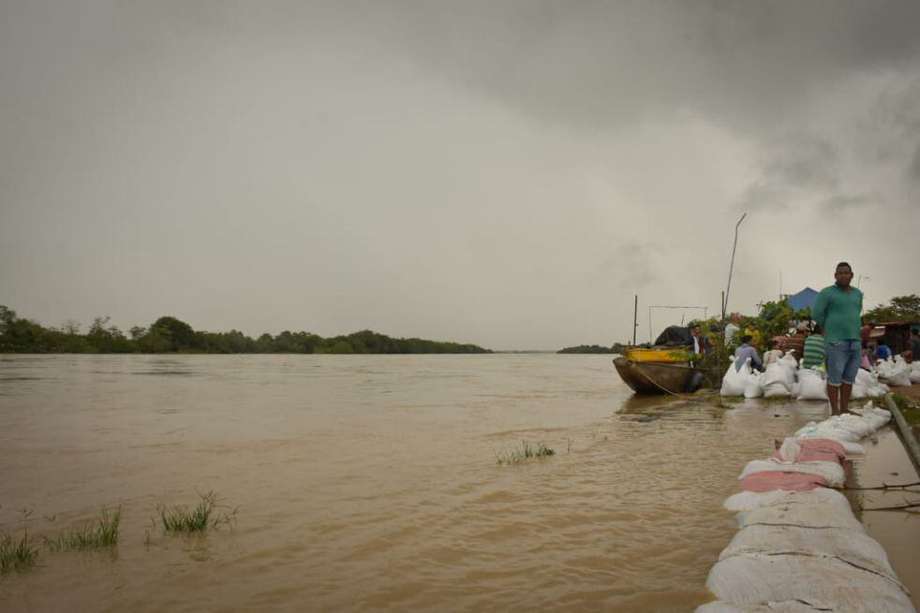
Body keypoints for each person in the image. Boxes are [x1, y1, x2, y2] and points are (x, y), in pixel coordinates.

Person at [812, 262, 863, 415]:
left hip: (855, 341)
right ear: (835, 276)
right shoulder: (827, 293)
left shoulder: (857, 294)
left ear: (851, 275)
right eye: (840, 273)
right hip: (835, 341)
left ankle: (845, 408)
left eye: (846, 272)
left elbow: (857, 311)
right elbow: (817, 314)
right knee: (834, 378)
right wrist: (828, 329)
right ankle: (835, 411)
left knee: (849, 378)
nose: (843, 275)